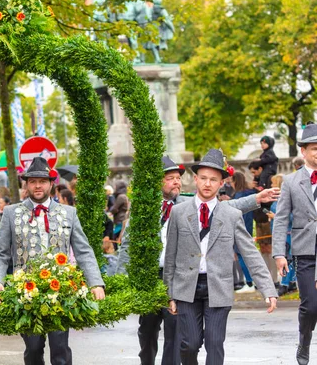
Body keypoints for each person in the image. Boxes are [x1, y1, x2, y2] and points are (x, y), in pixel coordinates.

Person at [116, 156, 273, 365]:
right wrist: (119, 279)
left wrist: (256, 199)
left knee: (177, 336)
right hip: (152, 278)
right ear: (158, 183)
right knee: (148, 332)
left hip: (181, 278)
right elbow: (127, 245)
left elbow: (226, 207)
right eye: (170, 178)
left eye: (178, 178)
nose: (177, 182)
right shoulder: (144, 210)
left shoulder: (184, 204)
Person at [164, 149, 277, 365]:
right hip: (186, 287)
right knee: (189, 344)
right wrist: (170, 293)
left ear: (221, 183)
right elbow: (171, 255)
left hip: (218, 287)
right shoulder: (179, 213)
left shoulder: (231, 215)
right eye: (204, 178)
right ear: (195, 179)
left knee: (214, 343)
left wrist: (268, 289)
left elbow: (250, 253)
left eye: (213, 180)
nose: (207, 184)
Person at [0, 157, 105, 365]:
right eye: (32, 181)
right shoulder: (11, 213)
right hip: (25, 292)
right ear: (26, 184)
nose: (37, 186)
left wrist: (95, 282)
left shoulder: (68, 213)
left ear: (51, 183)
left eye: (42, 181)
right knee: (33, 350)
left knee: (60, 350)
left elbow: (84, 251)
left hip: (61, 292)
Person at [272, 123, 317, 365]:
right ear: (304, 151)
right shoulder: (290, 182)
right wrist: (280, 253)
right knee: (310, 306)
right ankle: (304, 340)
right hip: (305, 250)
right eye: (314, 148)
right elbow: (280, 219)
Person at [231, 172, 258, 293]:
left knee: (242, 257)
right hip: (248, 228)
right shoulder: (249, 193)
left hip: (239, 229)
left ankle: (250, 282)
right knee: (248, 257)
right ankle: (253, 282)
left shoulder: (238, 195)